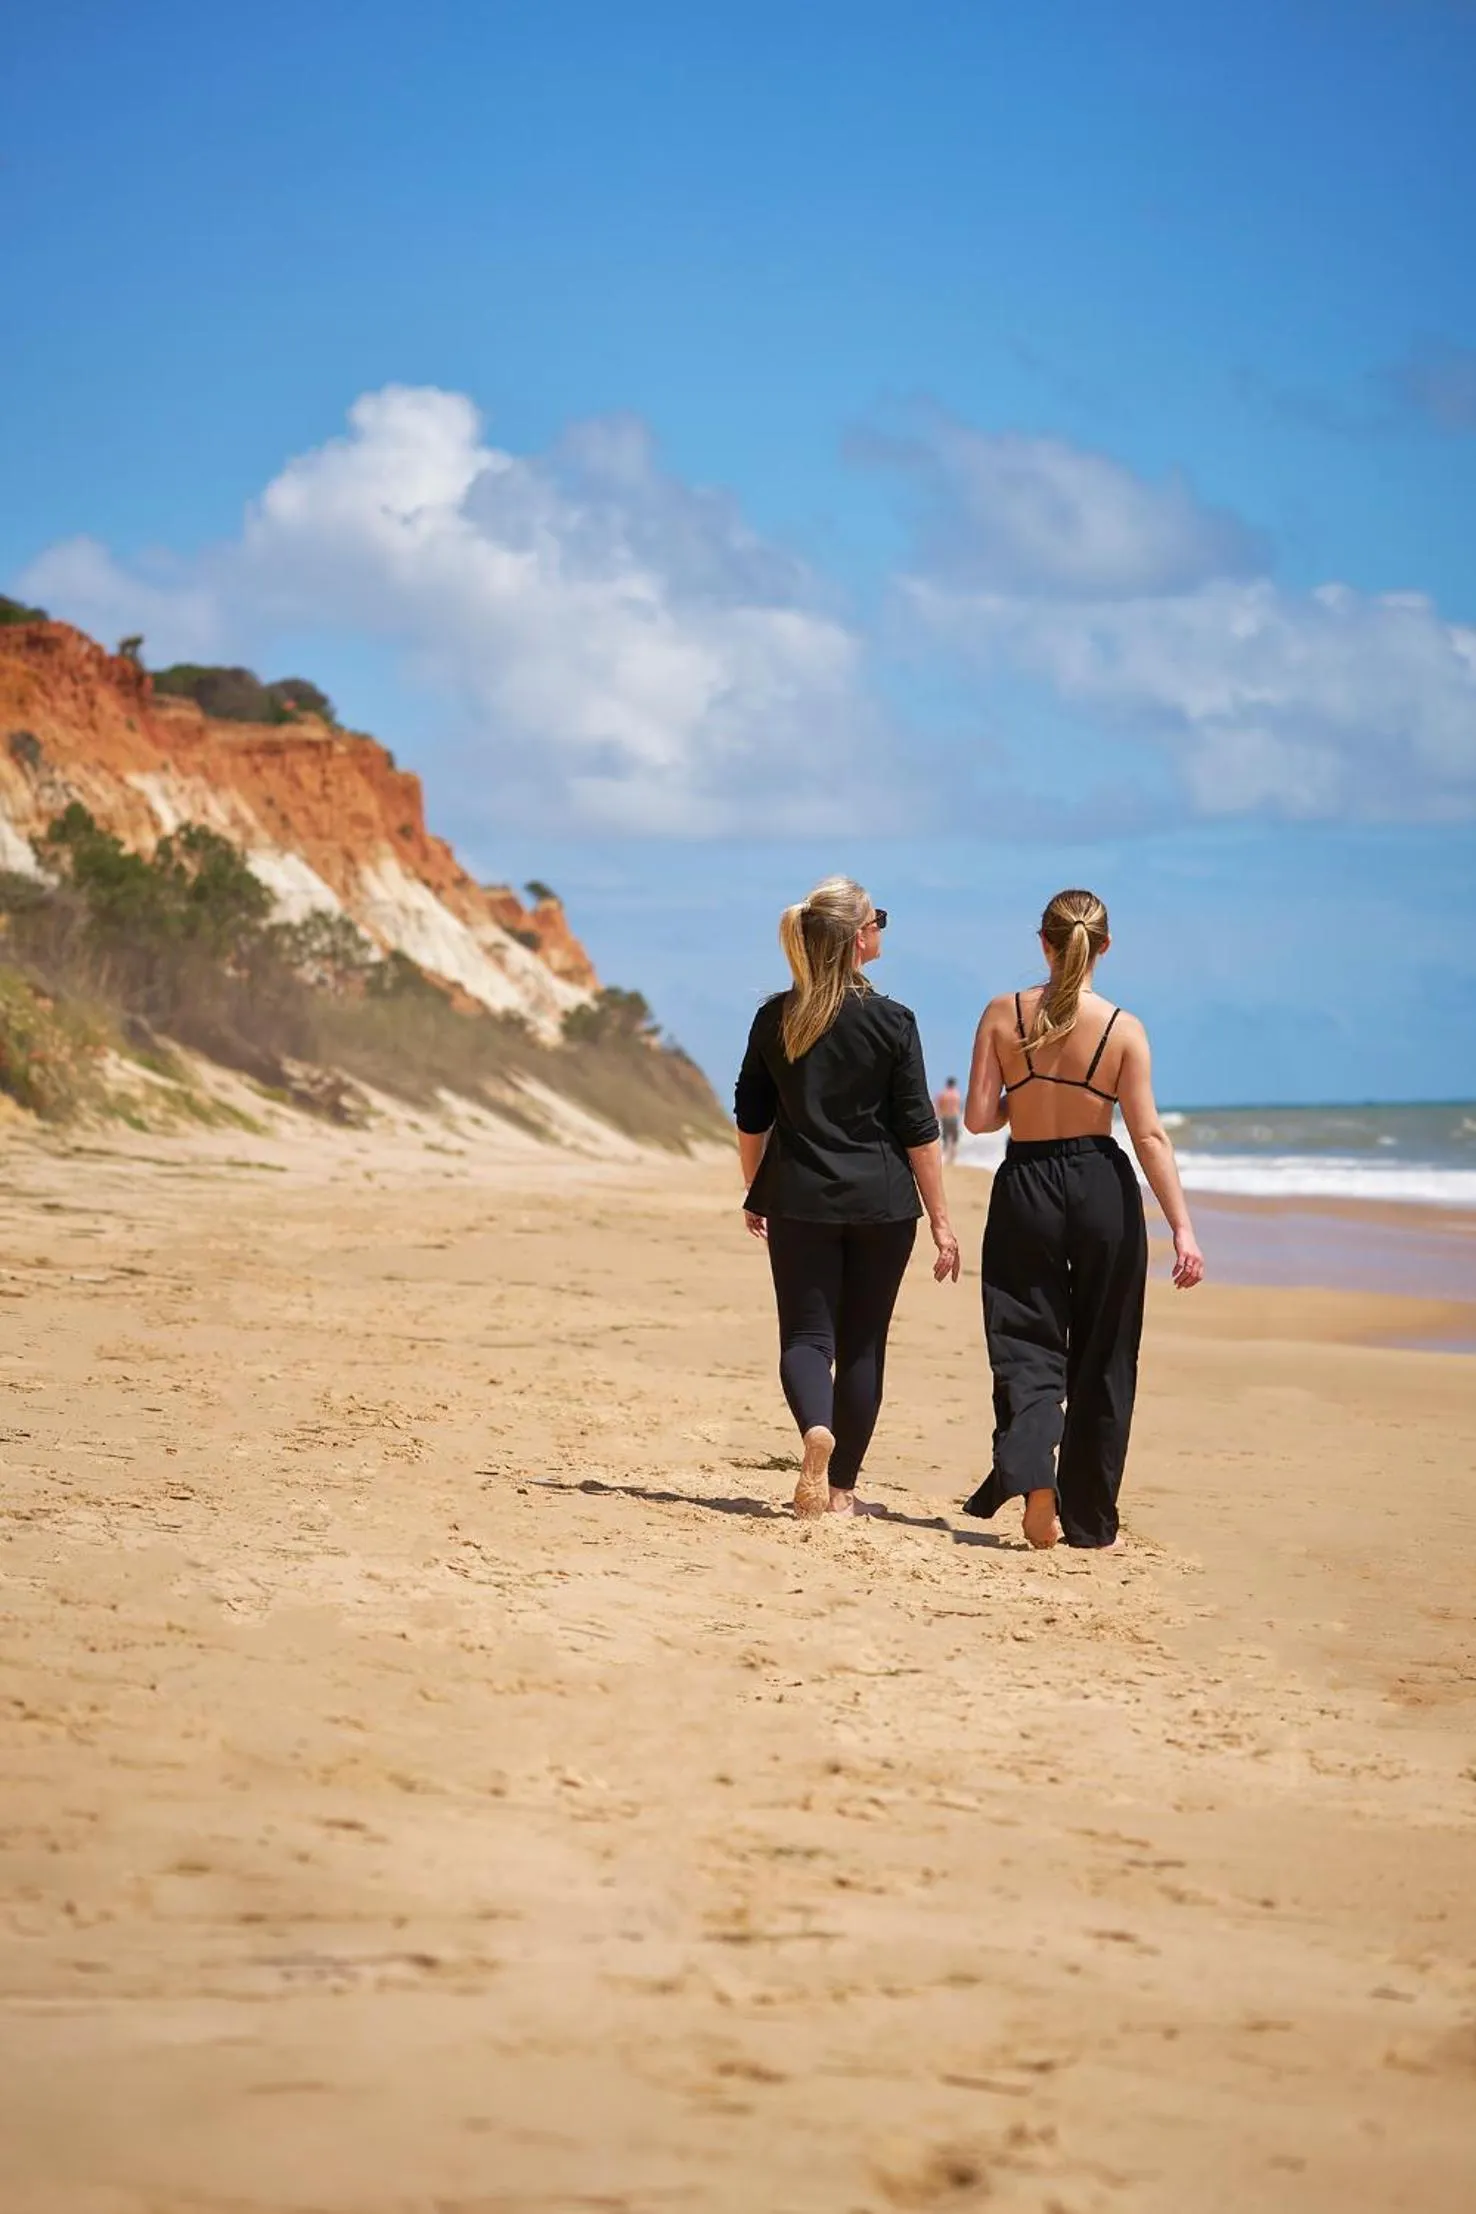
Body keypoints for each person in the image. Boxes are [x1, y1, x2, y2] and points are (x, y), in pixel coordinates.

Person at [960, 888, 1203, 1551]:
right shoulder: (1124, 1028)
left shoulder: (1001, 1013)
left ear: (1043, 942)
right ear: (1105, 947)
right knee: (1103, 1353)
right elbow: (1148, 1135)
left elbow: (978, 1120)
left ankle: (1036, 1474)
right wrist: (1182, 1227)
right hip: (1101, 1185)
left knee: (1023, 1337)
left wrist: (1028, 1097)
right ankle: (1091, 1521)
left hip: (1026, 1185)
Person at [734, 876, 961, 1518]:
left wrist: (754, 1188)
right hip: (883, 1205)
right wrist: (942, 1223)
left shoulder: (776, 1017)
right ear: (860, 936)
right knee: (864, 1344)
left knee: (807, 1338)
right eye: (878, 919)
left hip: (798, 1196)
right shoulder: (893, 1021)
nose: (882, 929)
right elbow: (919, 1129)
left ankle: (814, 1431)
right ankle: (840, 1493)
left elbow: (751, 1114)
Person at [936, 1076, 963, 1164]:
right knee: (954, 1139)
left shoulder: (943, 1094)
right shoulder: (956, 1094)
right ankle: (952, 1159)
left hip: (945, 1117)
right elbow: (958, 1107)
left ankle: (946, 1158)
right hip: (954, 1118)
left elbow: (938, 1107)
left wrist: (938, 1117)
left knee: (946, 1138)